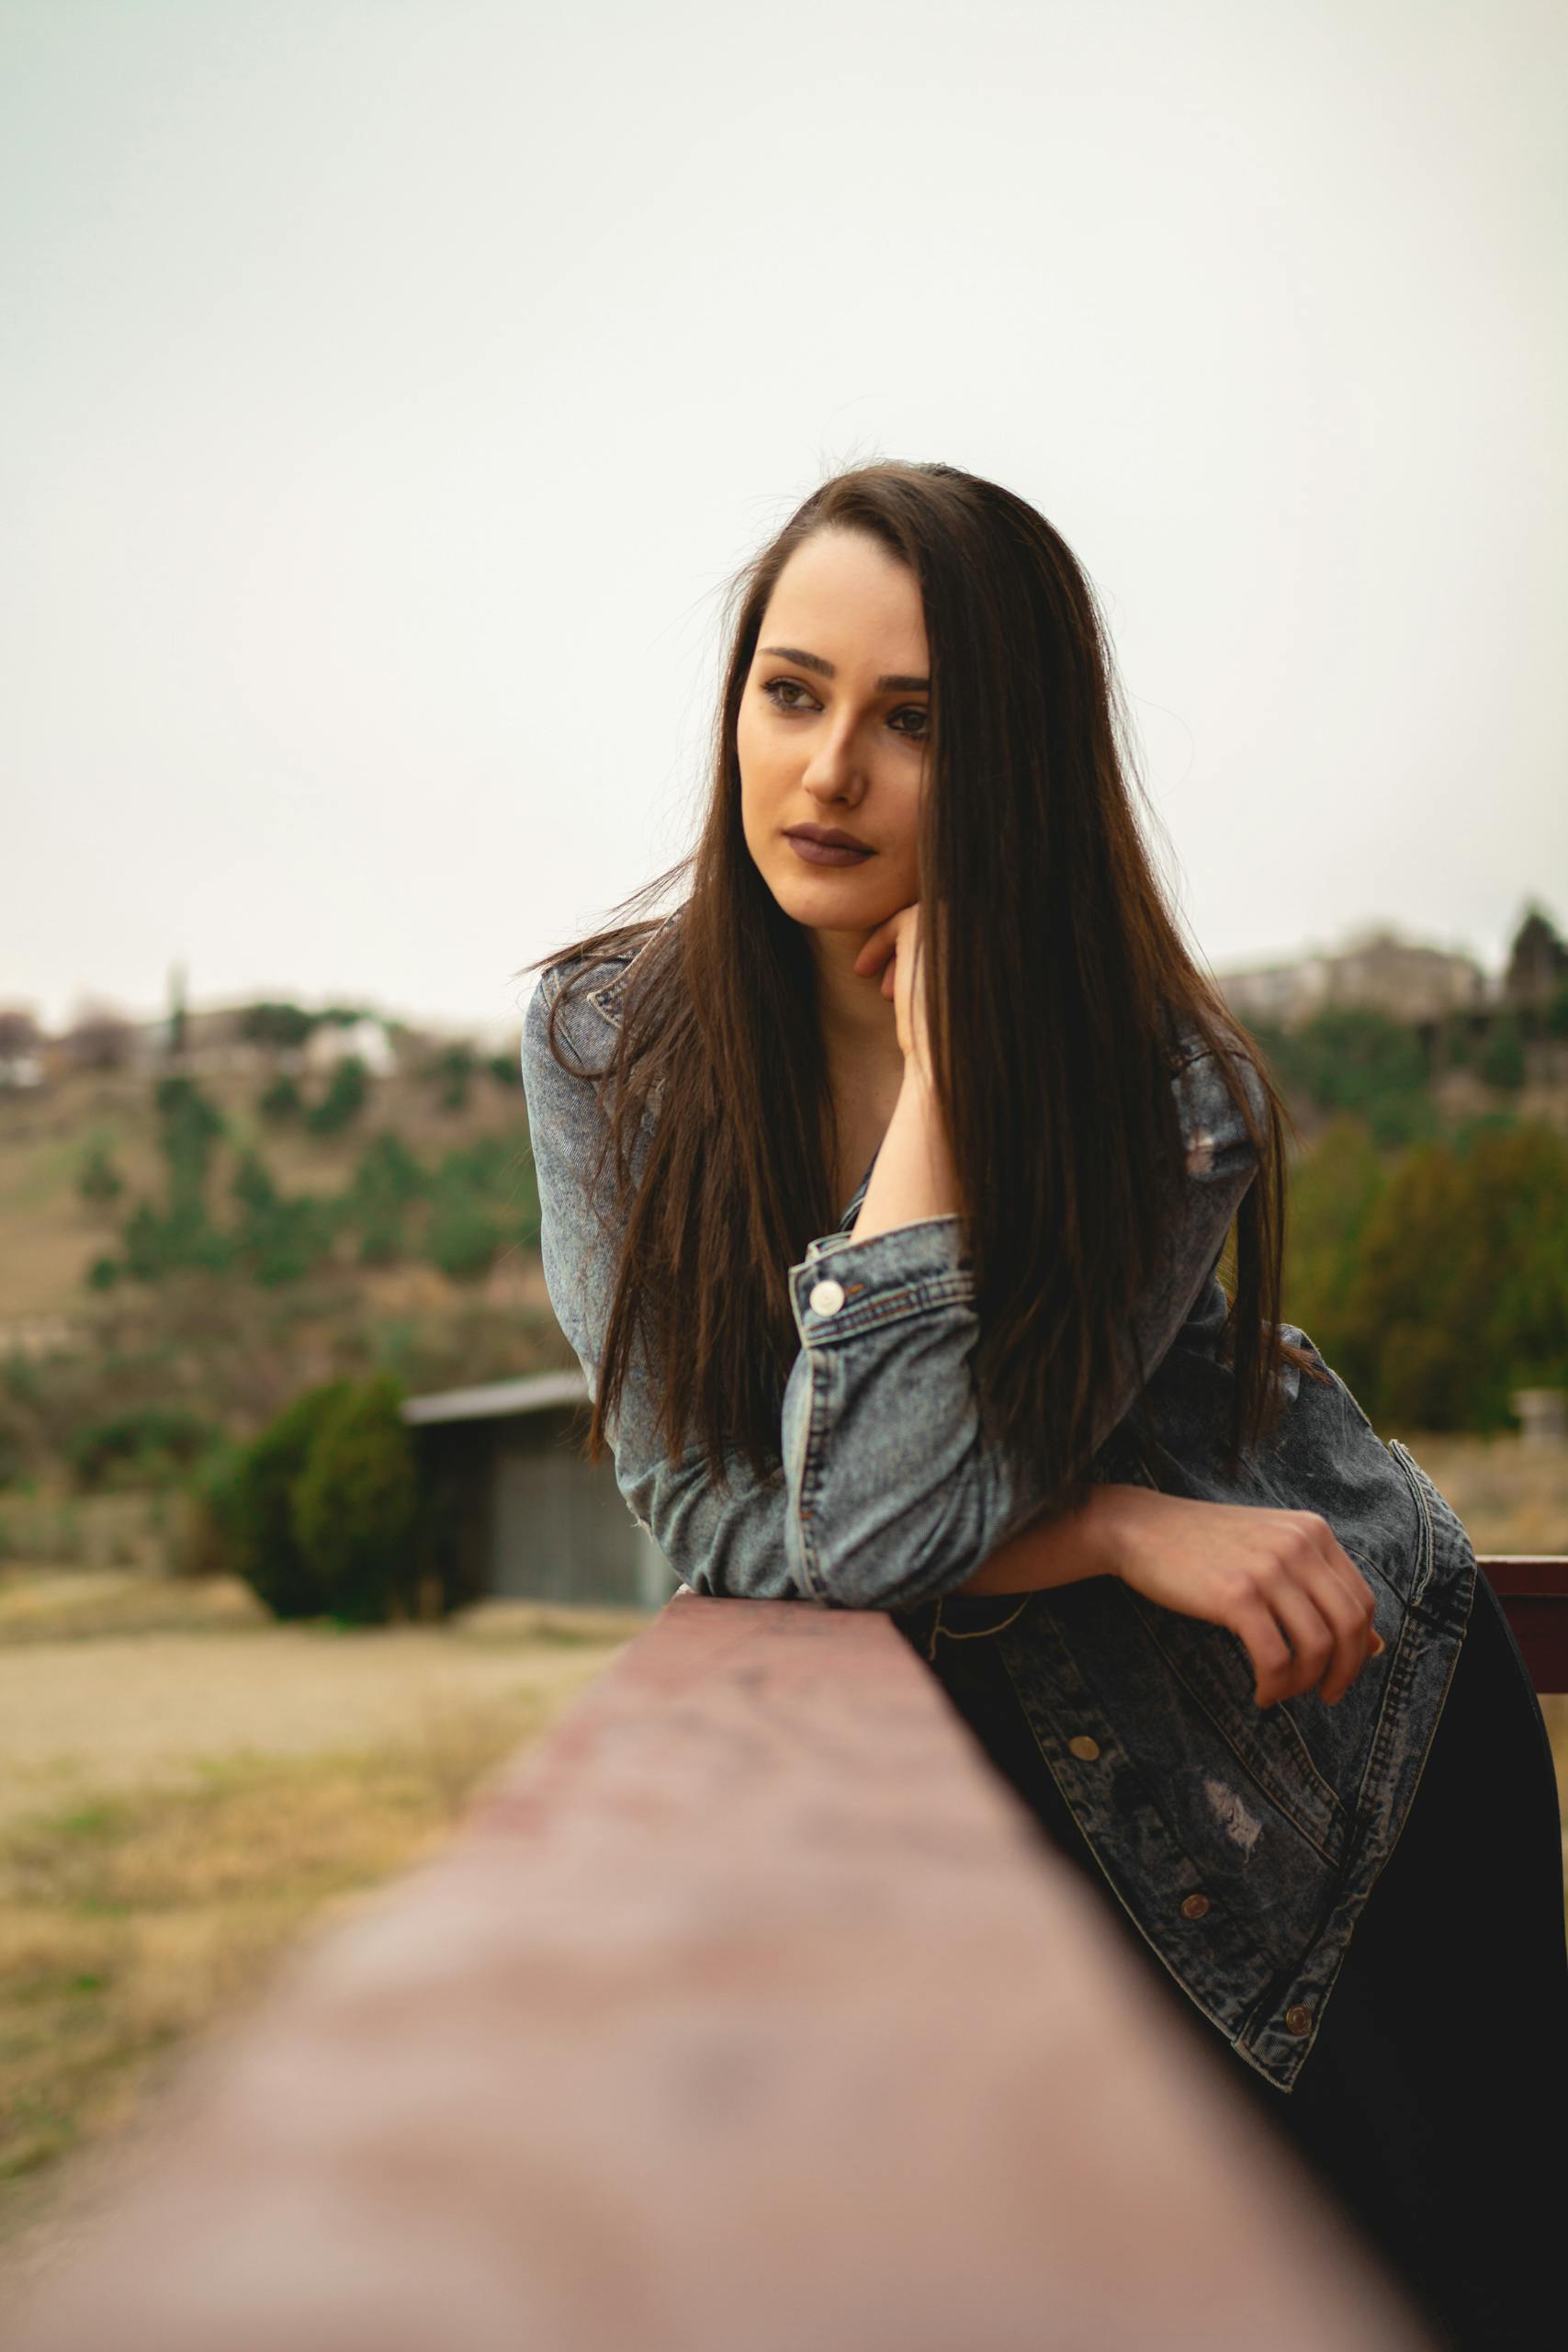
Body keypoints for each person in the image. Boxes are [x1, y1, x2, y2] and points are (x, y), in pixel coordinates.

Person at [519, 460, 1567, 2347]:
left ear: (1009, 761)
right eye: (791, 689)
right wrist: (1109, 1519)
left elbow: (872, 1522)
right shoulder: (611, 1053)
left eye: (910, 720)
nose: (826, 768)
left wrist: (947, 1067)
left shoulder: (1167, 1092)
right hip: (1033, 1809)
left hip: (1339, 1758)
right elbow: (733, 1514)